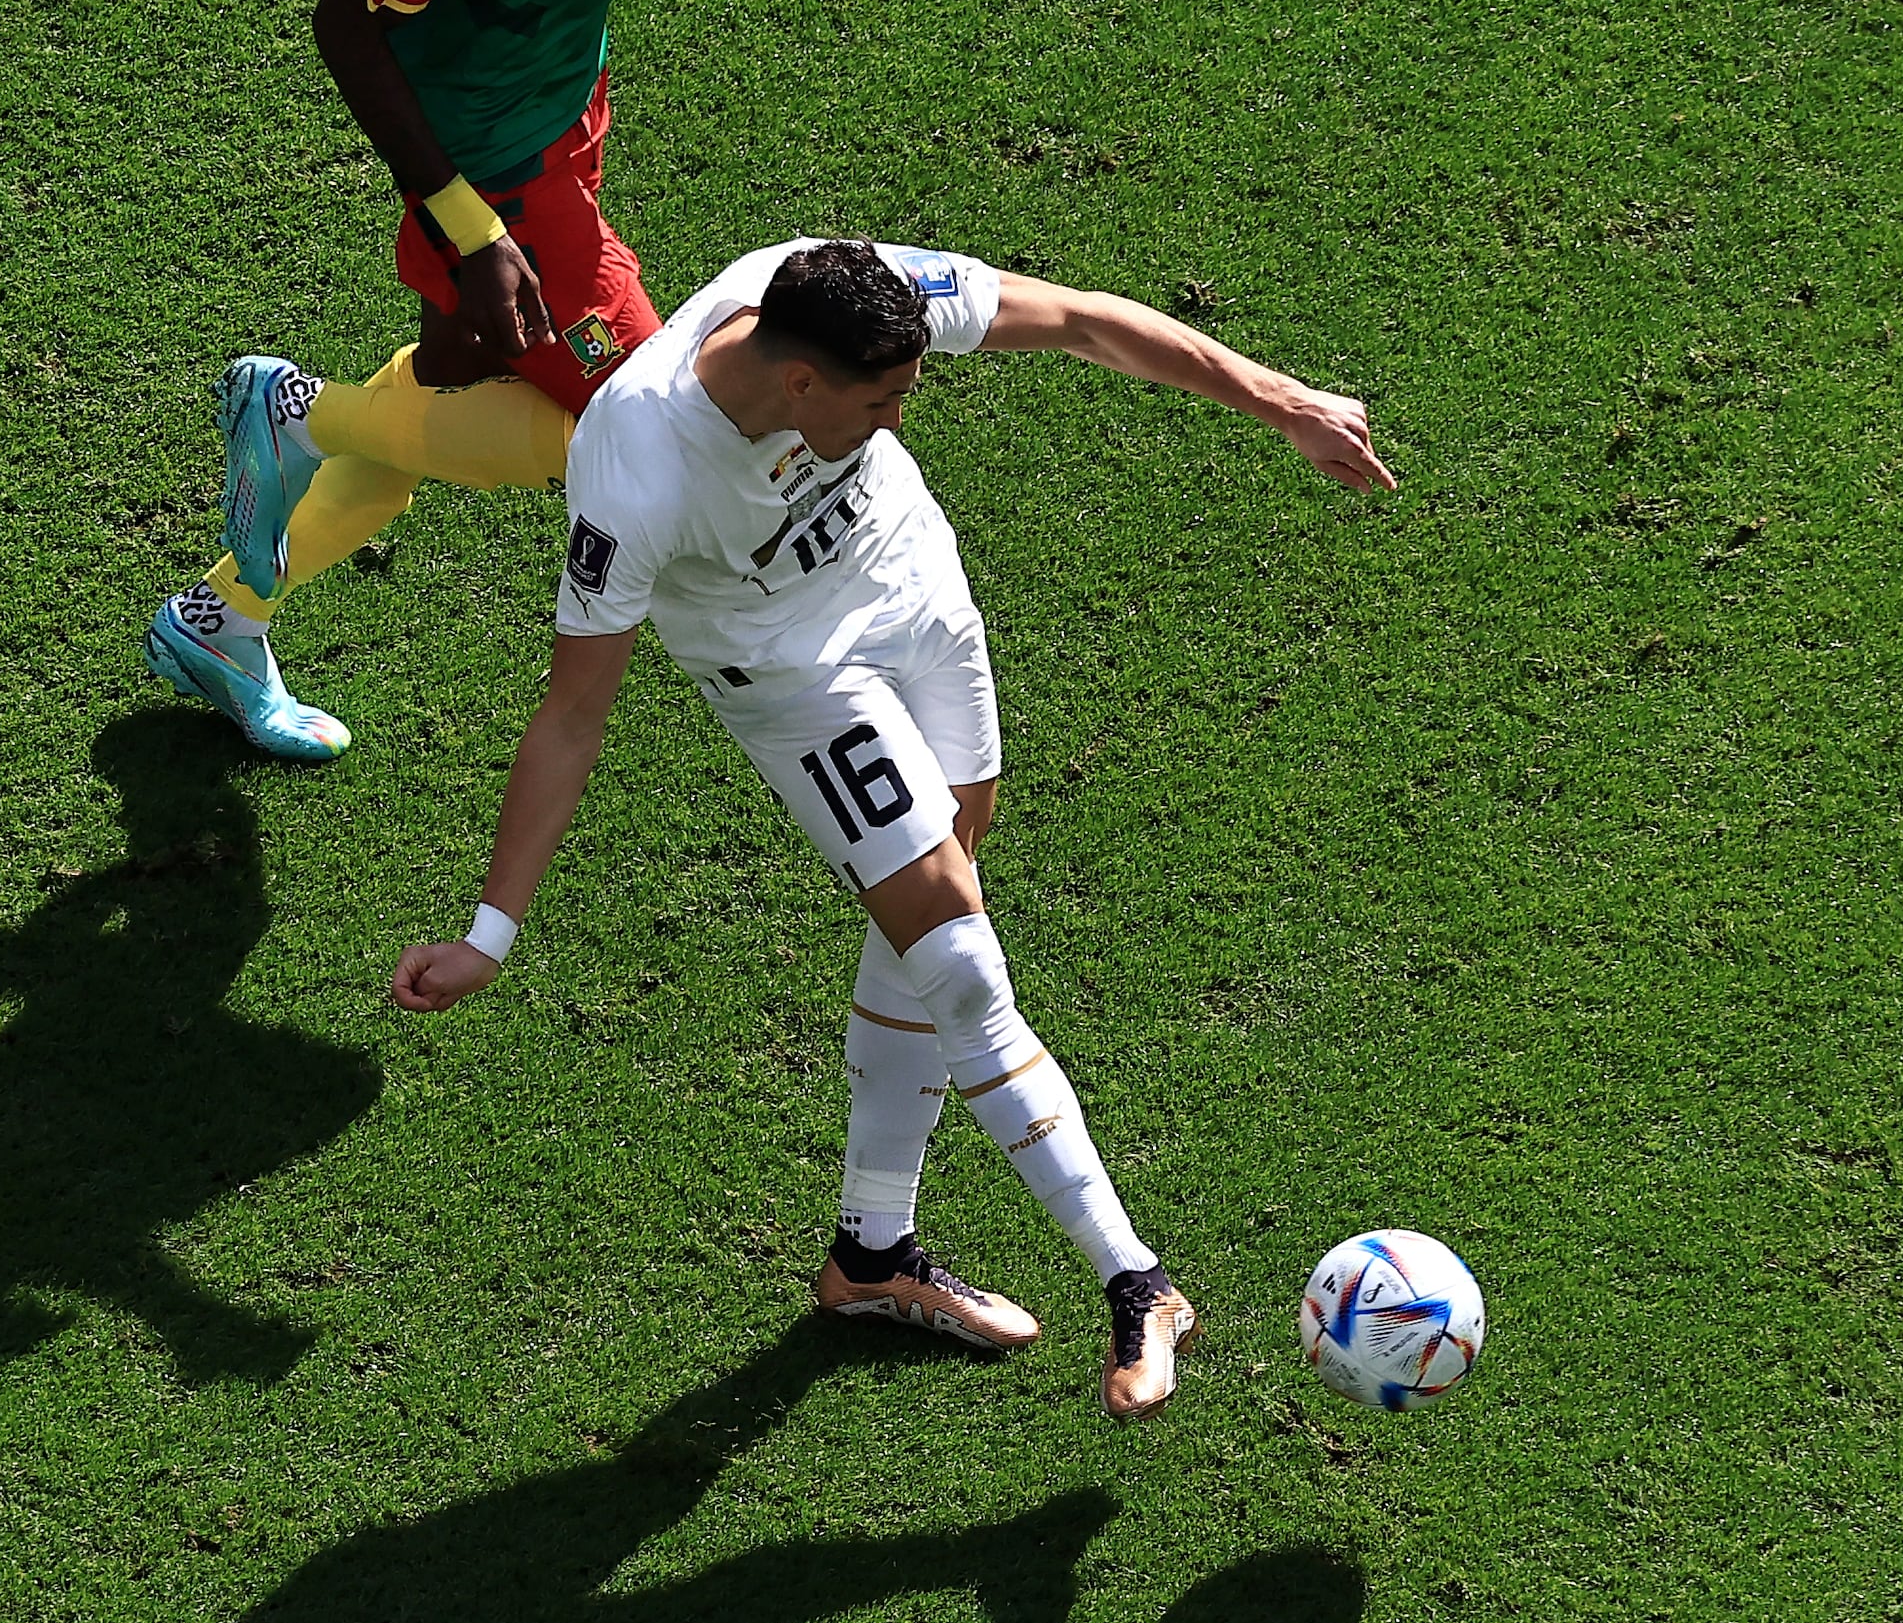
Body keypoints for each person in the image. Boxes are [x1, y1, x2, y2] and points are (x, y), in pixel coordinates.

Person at [383, 239, 1395, 1416]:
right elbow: (571, 714)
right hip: (794, 677)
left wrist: (1283, 403)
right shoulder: (634, 467)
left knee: (933, 893)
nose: (899, 414)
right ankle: (1137, 1280)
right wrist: (490, 933)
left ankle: (869, 1256)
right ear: (799, 383)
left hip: (918, 598)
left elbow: (1074, 321)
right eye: (882, 402)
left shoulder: (836, 287)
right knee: (957, 955)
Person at [144, 0, 984, 761]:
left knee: (445, 385)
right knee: (630, 423)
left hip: (565, 103)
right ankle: (300, 419)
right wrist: (469, 223)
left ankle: (225, 604)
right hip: (492, 165)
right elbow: (344, 28)